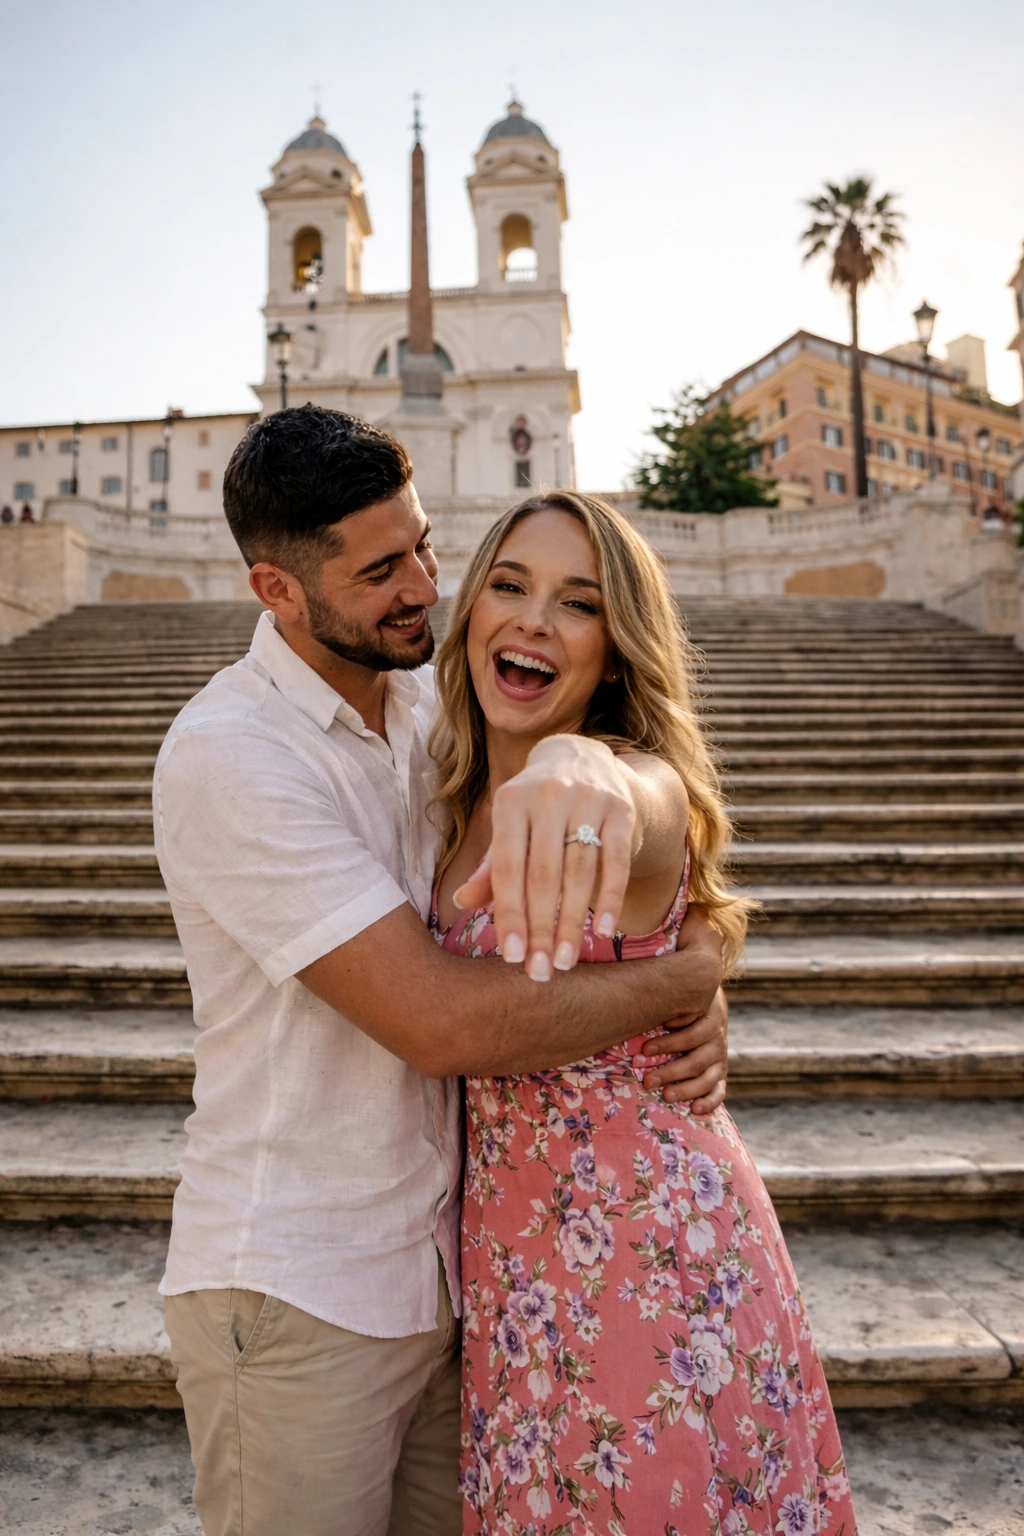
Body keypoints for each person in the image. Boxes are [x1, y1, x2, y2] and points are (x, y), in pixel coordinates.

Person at [154, 405, 730, 1536]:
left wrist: (683, 924)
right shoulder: (232, 756)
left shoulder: (430, 700)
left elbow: (627, 790)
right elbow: (440, 1023)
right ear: (278, 592)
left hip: (461, 1276)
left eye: (422, 544)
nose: (426, 585)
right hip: (297, 1290)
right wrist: (680, 980)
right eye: (381, 570)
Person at [429, 491, 858, 1535]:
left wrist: (588, 765)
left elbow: (647, 801)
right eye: (510, 584)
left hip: (653, 1271)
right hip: (517, 1279)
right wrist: (691, 978)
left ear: (615, 652)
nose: (532, 620)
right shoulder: (445, 792)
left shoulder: (618, 784)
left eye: (577, 604)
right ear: (471, 607)